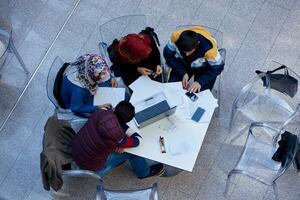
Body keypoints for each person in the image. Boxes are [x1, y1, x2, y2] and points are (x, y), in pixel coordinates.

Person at [72, 101, 164, 178]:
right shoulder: (117, 136)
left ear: (114, 109)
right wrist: (125, 131)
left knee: (120, 147)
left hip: (76, 149)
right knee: (132, 151)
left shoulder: (100, 111)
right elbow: (138, 141)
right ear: (126, 122)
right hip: (91, 165)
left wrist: (115, 145)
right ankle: (144, 173)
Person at [163, 26, 225, 93]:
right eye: (184, 51)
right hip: (183, 64)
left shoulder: (210, 51)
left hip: (203, 69)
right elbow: (168, 55)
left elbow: (218, 68)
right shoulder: (175, 38)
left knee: (201, 95)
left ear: (197, 44)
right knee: (172, 88)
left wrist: (200, 82)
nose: (186, 55)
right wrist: (183, 72)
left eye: (189, 51)